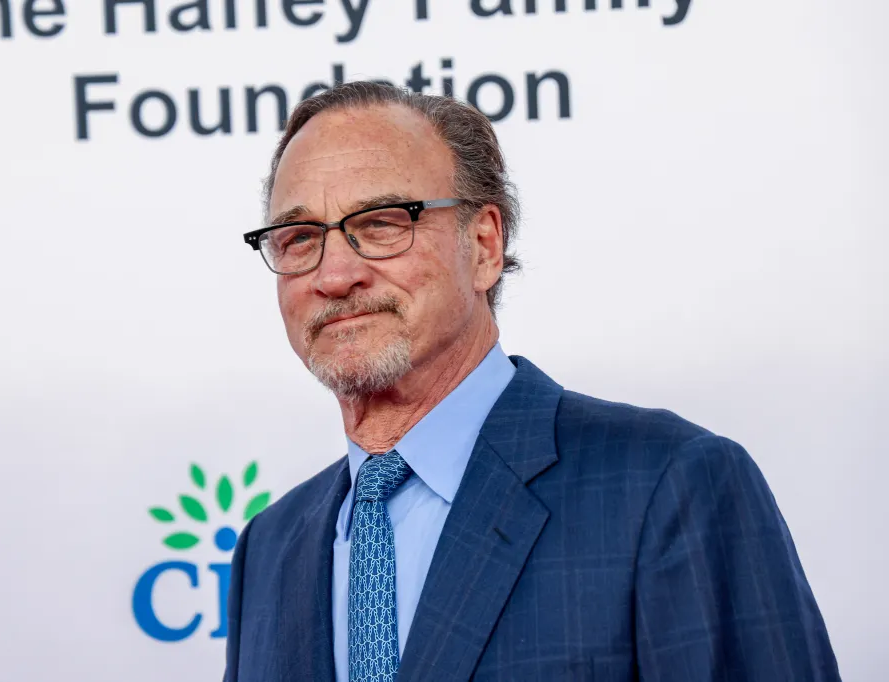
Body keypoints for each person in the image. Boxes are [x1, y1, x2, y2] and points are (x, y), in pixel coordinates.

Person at [222, 81, 840, 682]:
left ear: (485, 245)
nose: (335, 274)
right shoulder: (269, 550)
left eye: (383, 222)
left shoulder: (668, 482)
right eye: (299, 238)